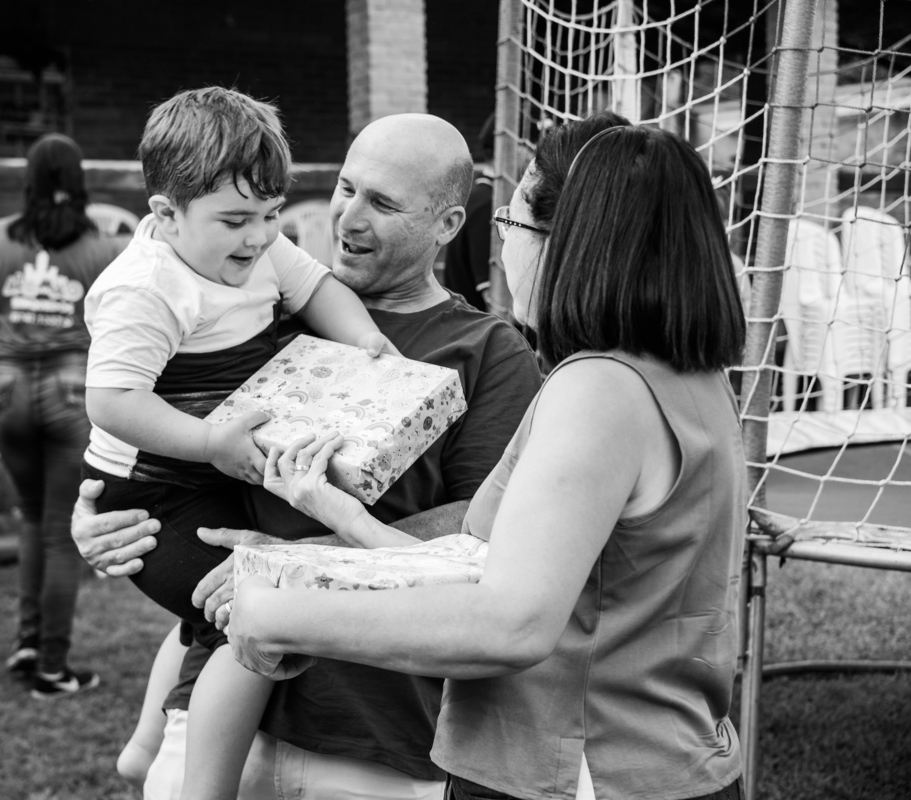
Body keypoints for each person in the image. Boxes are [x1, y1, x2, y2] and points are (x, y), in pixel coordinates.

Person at [228, 117, 749, 800]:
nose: (503, 245)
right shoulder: (693, 379)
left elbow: (511, 623)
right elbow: (486, 571)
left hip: (576, 770)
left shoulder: (599, 389)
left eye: (513, 222)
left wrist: (278, 613)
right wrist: (338, 518)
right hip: (655, 761)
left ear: (569, 241)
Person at [74, 112, 544, 799]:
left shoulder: (488, 352)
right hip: (212, 709)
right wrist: (94, 519)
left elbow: (482, 536)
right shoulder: (254, 301)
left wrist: (289, 564)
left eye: (381, 203)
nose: (348, 217)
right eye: (345, 188)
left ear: (446, 225)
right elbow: (138, 412)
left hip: (375, 740)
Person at [82, 86, 398, 800]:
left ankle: (142, 746)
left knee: (215, 603)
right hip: (155, 489)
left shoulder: (259, 248)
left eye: (269, 215)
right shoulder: (146, 289)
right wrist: (208, 442)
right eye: (234, 220)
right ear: (165, 214)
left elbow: (316, 288)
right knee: (245, 620)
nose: (258, 237)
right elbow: (112, 399)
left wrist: (368, 342)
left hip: (216, 464)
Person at [0, 133, 124, 699]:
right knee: (58, 532)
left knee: (30, 517)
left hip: (5, 392)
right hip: (70, 391)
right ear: (78, 182)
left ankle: (28, 641)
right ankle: (51, 667)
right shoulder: (102, 250)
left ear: (28, 179)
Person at [441, 113, 497, 313]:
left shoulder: (481, 194)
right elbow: (494, 299)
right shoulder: (486, 204)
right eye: (531, 146)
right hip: (479, 334)